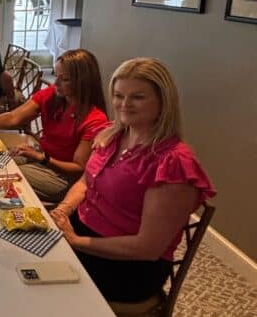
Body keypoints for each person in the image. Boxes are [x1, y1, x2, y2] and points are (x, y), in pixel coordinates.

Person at [50, 57, 215, 302]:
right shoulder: (113, 135)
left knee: (43, 287)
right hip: (82, 231)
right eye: (118, 95)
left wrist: (75, 241)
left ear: (163, 101)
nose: (124, 104)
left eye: (138, 97)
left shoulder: (173, 162)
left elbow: (147, 248)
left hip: (126, 266)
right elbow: (85, 182)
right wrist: (63, 211)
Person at [0, 49, 109, 203]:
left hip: (63, 177)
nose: (55, 83)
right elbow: (14, 117)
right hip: (43, 158)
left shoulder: (94, 119)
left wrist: (42, 158)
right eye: (56, 75)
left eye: (64, 79)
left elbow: (79, 169)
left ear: (83, 82)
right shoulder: (55, 95)